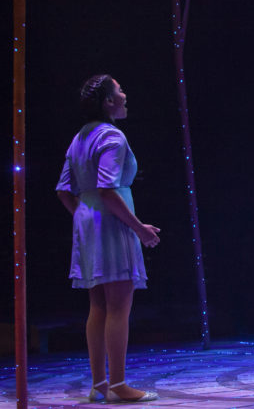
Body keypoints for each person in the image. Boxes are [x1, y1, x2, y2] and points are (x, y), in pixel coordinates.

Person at [56, 75, 160, 402]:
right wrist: (139, 228)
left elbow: (63, 190)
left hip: (88, 223)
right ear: (108, 102)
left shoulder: (79, 138)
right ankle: (117, 385)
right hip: (111, 223)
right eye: (119, 91)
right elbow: (107, 189)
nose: (125, 95)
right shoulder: (111, 137)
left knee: (98, 305)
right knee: (118, 306)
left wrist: (85, 217)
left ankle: (100, 384)